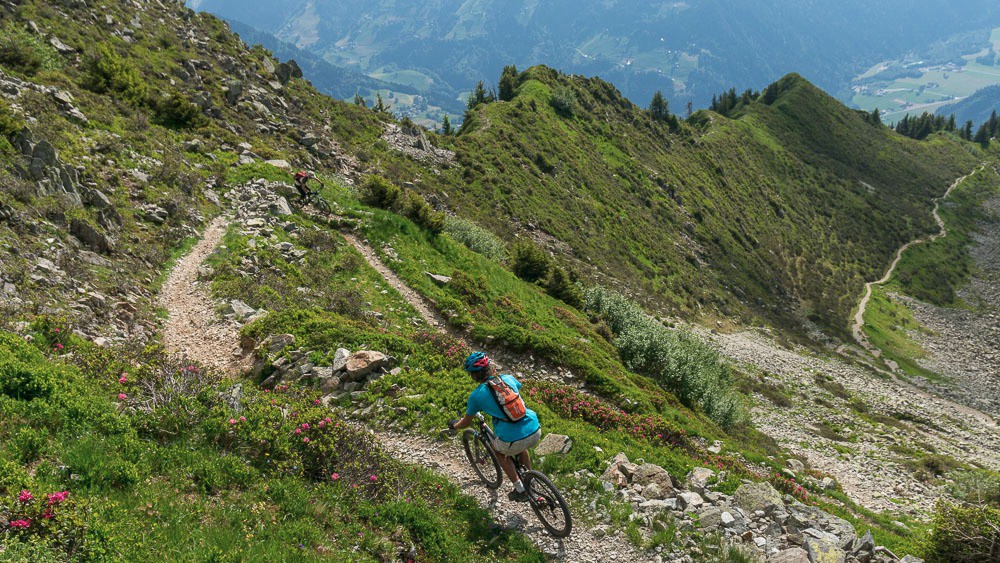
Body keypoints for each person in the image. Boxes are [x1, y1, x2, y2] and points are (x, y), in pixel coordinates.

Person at [449, 352, 541, 502]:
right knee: (521, 447)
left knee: (498, 452)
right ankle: (532, 480)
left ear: (473, 375)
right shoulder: (508, 378)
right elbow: (517, 388)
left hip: (513, 438)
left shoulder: (477, 396)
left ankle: (520, 489)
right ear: (490, 367)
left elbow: (465, 423)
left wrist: (455, 425)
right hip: (535, 428)